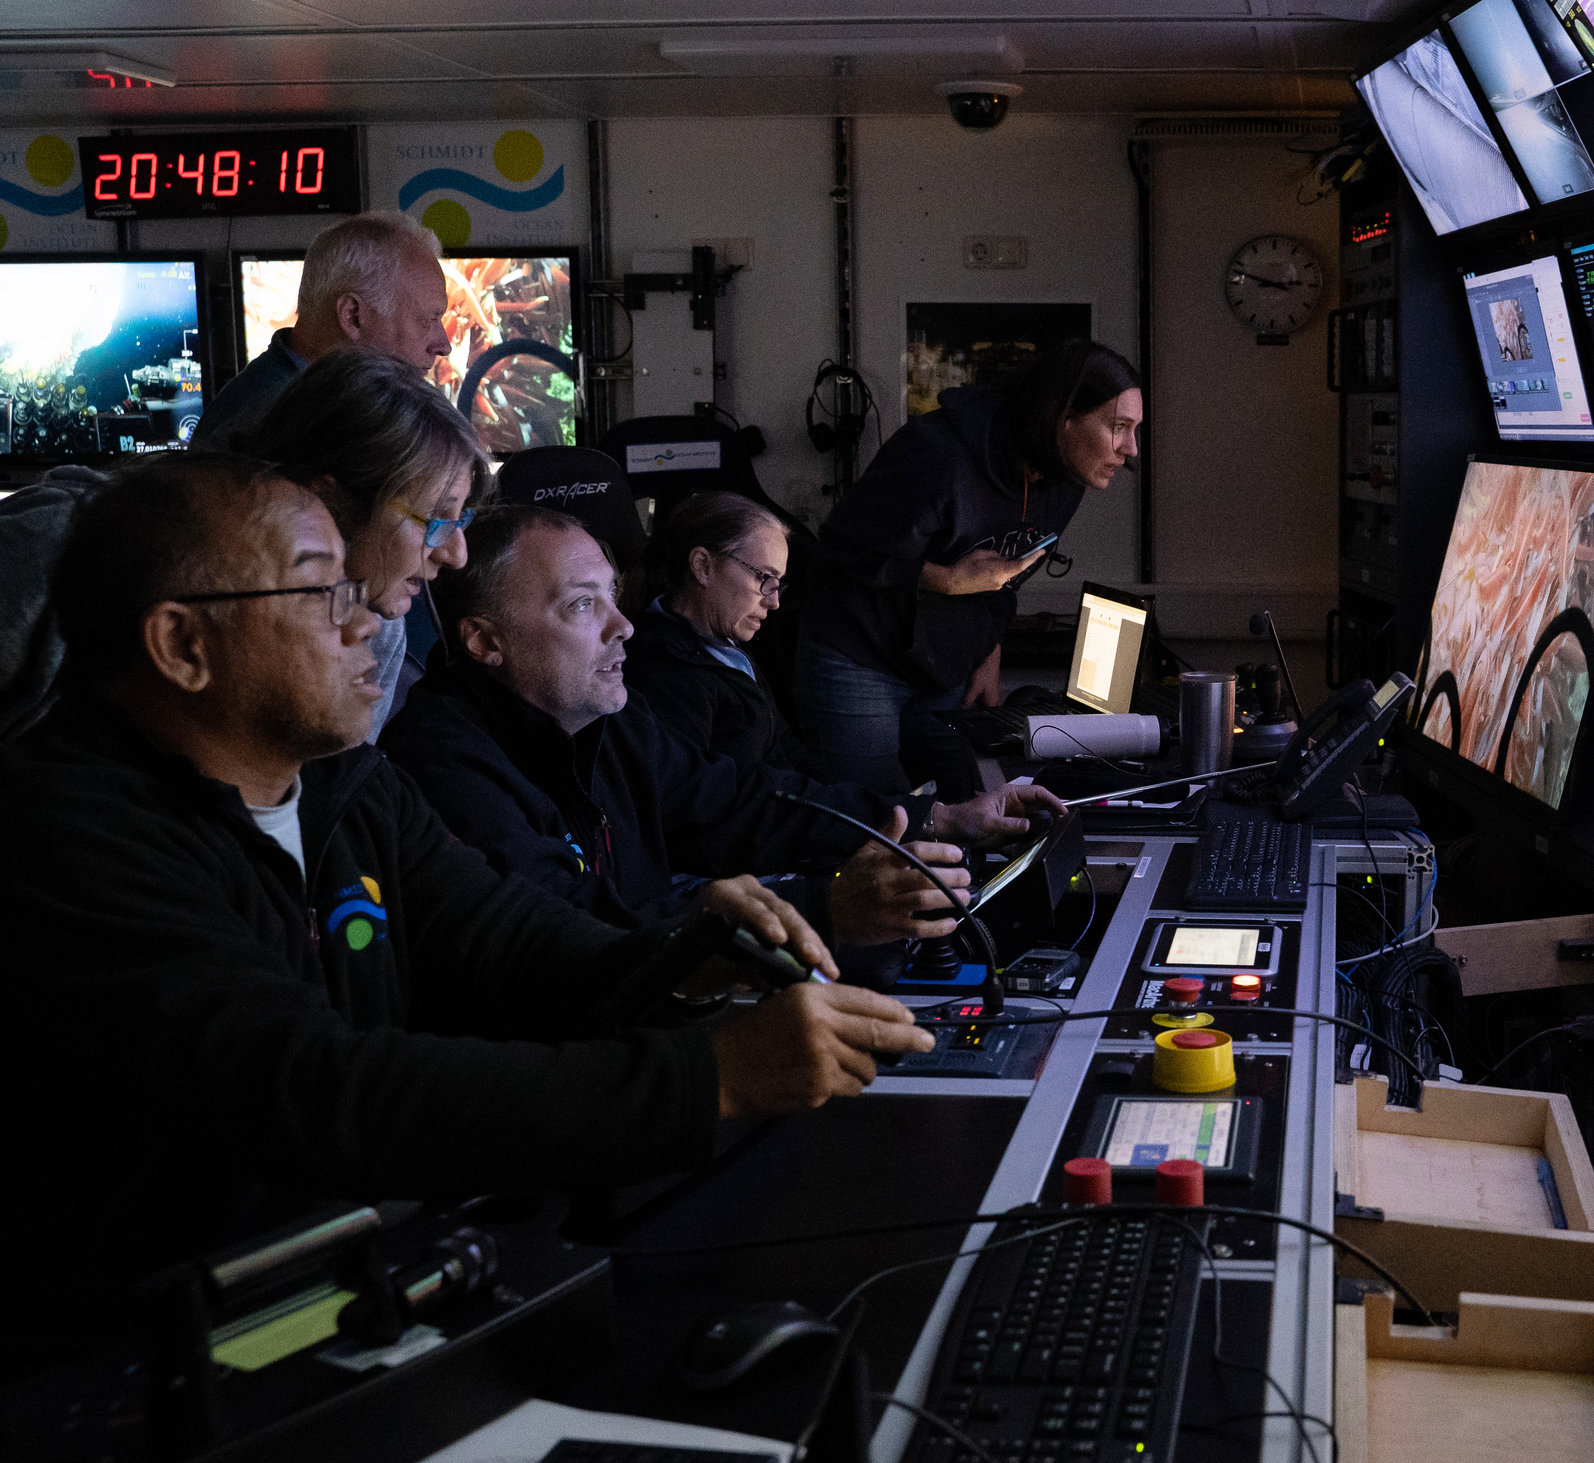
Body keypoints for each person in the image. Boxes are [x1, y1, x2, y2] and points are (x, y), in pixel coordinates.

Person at [0, 454, 933, 1357]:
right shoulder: (69, 837)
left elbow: (513, 943)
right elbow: (320, 1087)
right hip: (135, 1359)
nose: (367, 623)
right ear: (182, 645)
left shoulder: (345, 787)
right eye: (322, 593)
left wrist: (698, 956)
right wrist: (708, 1079)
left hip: (339, 1289)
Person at [382, 505, 1063, 952]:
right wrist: (818, 908)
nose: (622, 628)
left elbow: (740, 802)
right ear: (483, 641)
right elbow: (570, 930)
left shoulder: (603, 722)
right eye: (584, 606)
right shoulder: (442, 766)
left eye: (613, 600)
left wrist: (936, 817)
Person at [794, 339, 1142, 794]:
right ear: (1064, 418)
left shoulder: (1064, 479)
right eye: (1118, 427)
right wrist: (947, 579)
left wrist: (989, 653)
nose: (1131, 449)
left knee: (975, 806)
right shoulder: (936, 453)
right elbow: (840, 550)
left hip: (944, 665)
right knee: (880, 824)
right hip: (859, 656)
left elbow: (1007, 575)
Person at [246, 346, 480, 738]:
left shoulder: (383, 625)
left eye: (461, 520)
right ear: (328, 505)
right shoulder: (246, 637)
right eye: (436, 517)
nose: (456, 555)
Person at [192, 210, 453, 451]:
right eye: (428, 320)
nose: (443, 346)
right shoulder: (284, 429)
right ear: (352, 315)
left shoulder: (310, 400)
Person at [628, 490, 806, 775]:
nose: (774, 602)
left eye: (778, 583)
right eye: (763, 577)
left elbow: (784, 746)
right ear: (703, 566)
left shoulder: (724, 643)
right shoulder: (666, 673)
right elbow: (707, 802)